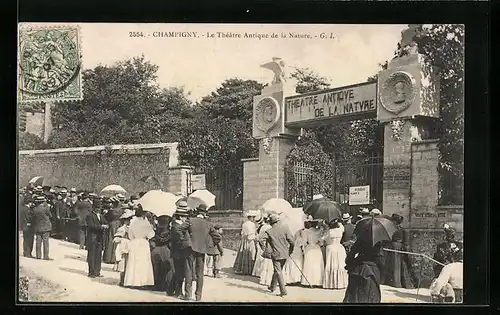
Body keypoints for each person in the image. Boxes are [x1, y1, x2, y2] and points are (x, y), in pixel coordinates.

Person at [181, 204, 220, 301]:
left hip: (190, 249)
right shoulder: (208, 224)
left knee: (189, 270)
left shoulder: (190, 220)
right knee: (200, 274)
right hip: (202, 250)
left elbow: (180, 229)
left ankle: (188, 295)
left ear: (197, 212)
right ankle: (198, 296)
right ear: (204, 213)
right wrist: (209, 245)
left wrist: (186, 239)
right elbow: (217, 237)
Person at [259, 213, 295, 297]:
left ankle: (283, 291)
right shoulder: (285, 228)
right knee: (277, 270)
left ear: (271, 222)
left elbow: (260, 240)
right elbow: (292, 241)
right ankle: (272, 287)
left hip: (275, 254)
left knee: (278, 271)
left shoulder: (269, 231)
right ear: (278, 221)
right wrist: (290, 250)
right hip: (285, 253)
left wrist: (264, 248)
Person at [123, 204, 156, 288]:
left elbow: (130, 235)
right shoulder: (146, 223)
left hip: (134, 242)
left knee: (133, 262)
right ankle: (142, 282)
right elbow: (151, 235)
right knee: (143, 262)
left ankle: (132, 281)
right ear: (143, 214)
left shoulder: (133, 223)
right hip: (143, 243)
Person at [343, 239, 384, 303]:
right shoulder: (378, 242)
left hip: (358, 269)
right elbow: (381, 260)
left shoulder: (361, 239)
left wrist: (350, 264)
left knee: (354, 296)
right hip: (372, 272)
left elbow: (351, 255)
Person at [382, 214, 416, 288]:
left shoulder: (392, 229)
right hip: (398, 248)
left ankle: (394, 282)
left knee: (394, 265)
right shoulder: (402, 229)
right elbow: (405, 241)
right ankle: (396, 282)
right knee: (397, 266)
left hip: (393, 247)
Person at [169, 201, 191, 298]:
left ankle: (171, 290)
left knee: (178, 272)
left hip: (177, 252)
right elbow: (179, 240)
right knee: (179, 273)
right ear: (181, 217)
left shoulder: (176, 225)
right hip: (179, 252)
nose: (186, 219)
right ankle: (178, 292)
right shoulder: (176, 227)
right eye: (185, 217)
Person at [150, 215, 175, 294]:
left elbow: (153, 238)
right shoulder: (169, 231)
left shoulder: (156, 230)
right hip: (166, 250)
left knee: (156, 269)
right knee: (167, 269)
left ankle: (158, 285)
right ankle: (166, 285)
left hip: (155, 250)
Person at [323, 218, 348, 289]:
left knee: (332, 265)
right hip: (339, 247)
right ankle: (341, 283)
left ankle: (331, 283)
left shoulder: (329, 232)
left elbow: (323, 240)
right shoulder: (340, 230)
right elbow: (342, 226)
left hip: (331, 248)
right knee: (340, 265)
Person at [85, 199, 108, 277]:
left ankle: (97, 271)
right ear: (93, 207)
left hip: (99, 238)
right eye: (96, 207)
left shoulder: (101, 216)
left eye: (99, 207)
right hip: (92, 237)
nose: (98, 209)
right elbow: (91, 226)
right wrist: (101, 227)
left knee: (98, 255)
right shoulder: (89, 216)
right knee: (91, 255)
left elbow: (106, 222)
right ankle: (91, 272)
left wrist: (106, 226)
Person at [301, 218, 325, 287]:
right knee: (317, 265)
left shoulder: (306, 231)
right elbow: (321, 243)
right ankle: (318, 281)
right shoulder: (319, 231)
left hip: (310, 248)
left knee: (309, 264)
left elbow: (304, 242)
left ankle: (308, 281)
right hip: (317, 248)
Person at [233, 210, 258, 275]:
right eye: (253, 217)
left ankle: (242, 268)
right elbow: (251, 233)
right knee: (251, 253)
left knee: (243, 253)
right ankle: (249, 269)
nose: (254, 219)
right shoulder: (252, 224)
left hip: (244, 240)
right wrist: (255, 237)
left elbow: (242, 233)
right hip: (250, 240)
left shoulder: (244, 224)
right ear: (250, 217)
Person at [113, 210, 133, 286]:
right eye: (128, 219)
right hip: (124, 247)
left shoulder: (132, 227)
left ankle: (127, 280)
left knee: (129, 264)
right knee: (123, 264)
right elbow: (116, 238)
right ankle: (122, 280)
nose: (129, 221)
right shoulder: (122, 228)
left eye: (130, 219)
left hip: (130, 246)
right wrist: (121, 238)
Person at [32, 195, 53, 260]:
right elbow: (51, 216)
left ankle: (38, 255)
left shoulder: (34, 209)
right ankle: (46, 256)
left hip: (38, 227)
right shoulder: (46, 209)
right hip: (46, 227)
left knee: (38, 241)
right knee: (45, 242)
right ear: (43, 202)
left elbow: (33, 218)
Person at [257, 216, 274, 286]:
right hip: (270, 249)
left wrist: (263, 247)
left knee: (265, 265)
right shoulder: (270, 229)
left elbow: (260, 239)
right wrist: (264, 247)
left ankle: (263, 280)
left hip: (267, 249)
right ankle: (267, 280)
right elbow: (261, 239)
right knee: (269, 266)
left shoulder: (265, 227)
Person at [252, 213, 268, 277]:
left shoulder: (259, 227)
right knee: (262, 258)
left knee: (259, 257)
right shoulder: (266, 227)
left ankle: (256, 272)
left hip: (260, 242)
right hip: (263, 243)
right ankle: (260, 272)